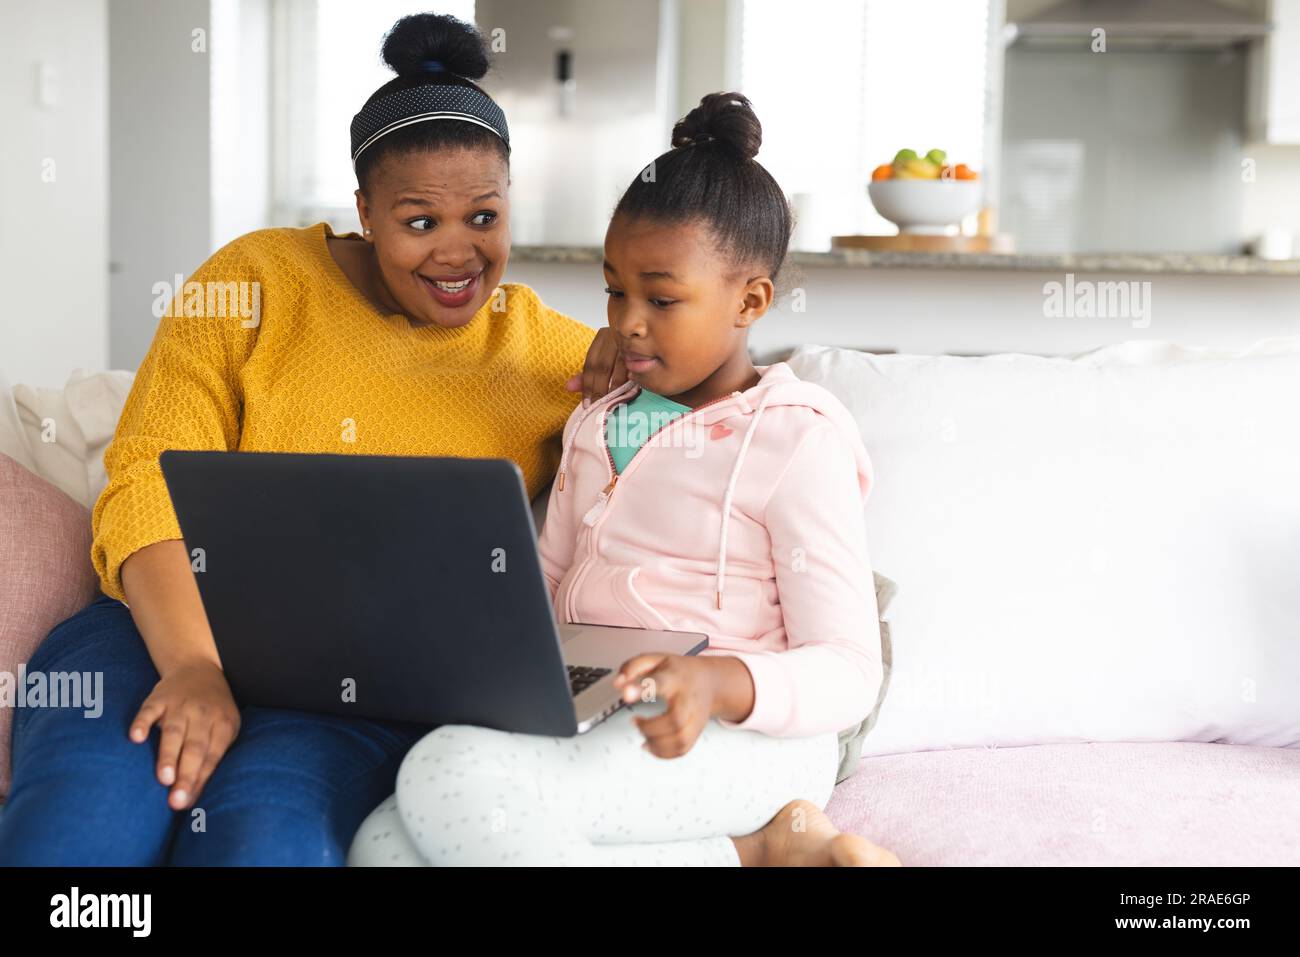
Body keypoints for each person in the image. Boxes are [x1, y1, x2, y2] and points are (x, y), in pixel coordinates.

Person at [0, 13, 625, 866]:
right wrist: (193, 667)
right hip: (158, 630)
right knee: (81, 832)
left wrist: (646, 378)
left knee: (263, 843)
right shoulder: (252, 281)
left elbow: (689, 442)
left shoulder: (543, 350)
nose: (458, 254)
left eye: (483, 215)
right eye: (418, 222)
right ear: (365, 210)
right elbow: (145, 475)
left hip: (354, 689)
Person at [349, 93, 901, 867]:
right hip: (594, 709)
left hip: (745, 738)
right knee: (381, 847)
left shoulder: (794, 436)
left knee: (445, 772)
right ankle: (753, 856)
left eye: (662, 297)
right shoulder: (598, 420)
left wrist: (715, 683)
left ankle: (765, 839)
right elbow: (542, 584)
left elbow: (847, 669)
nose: (628, 320)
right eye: (615, 289)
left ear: (751, 300)